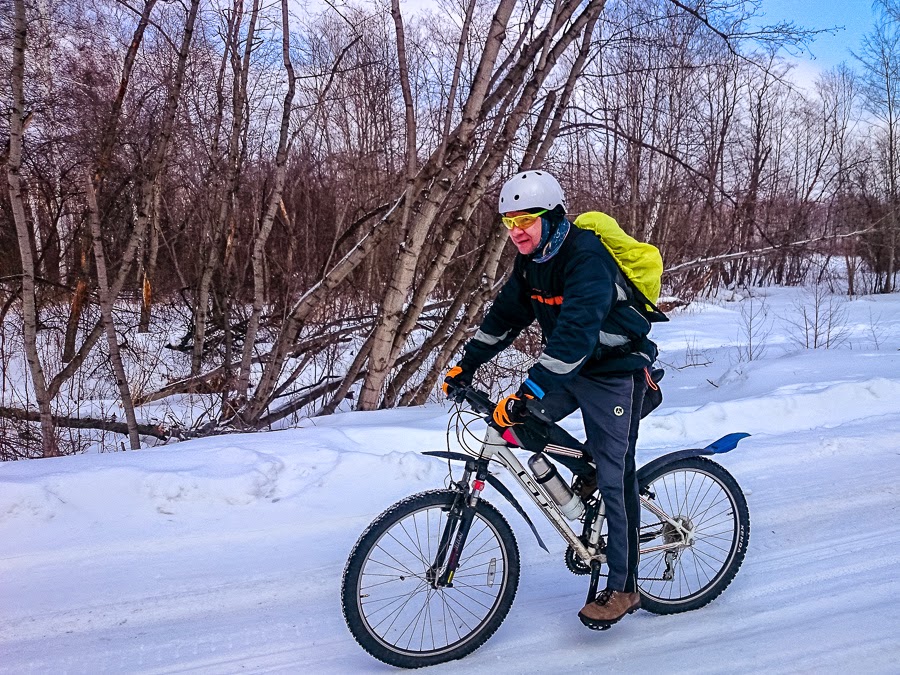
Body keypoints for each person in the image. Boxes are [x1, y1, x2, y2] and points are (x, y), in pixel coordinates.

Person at [442, 169, 659, 629]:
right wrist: (467, 363)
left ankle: (624, 588)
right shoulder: (531, 261)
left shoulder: (586, 257)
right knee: (515, 426)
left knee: (618, 476)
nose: (516, 230)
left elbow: (574, 339)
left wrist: (529, 390)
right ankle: (588, 469)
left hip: (613, 371)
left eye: (525, 219)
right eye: (507, 222)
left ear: (552, 216)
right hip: (573, 368)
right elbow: (505, 317)